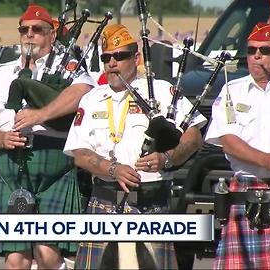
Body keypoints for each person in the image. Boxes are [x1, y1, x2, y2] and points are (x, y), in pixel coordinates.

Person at [63, 24, 206, 269]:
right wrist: (112, 169)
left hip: (151, 203)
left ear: (136, 58)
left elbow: (193, 137)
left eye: (120, 56)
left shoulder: (161, 92)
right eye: (106, 57)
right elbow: (79, 153)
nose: (112, 63)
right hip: (104, 202)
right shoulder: (92, 99)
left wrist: (167, 159)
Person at [0, 3, 96, 269]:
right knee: (16, 259)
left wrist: (40, 114)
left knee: (47, 253)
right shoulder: (0, 75)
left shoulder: (70, 69)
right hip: (11, 167)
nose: (29, 34)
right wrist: (1, 139)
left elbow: (83, 91)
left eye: (37, 29)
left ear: (51, 35)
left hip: (55, 167)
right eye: (24, 29)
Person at [205, 22, 270, 269]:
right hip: (246, 196)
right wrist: (265, 160)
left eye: (265, 50)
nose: (256, 56)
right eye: (251, 50)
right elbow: (228, 141)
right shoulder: (232, 90)